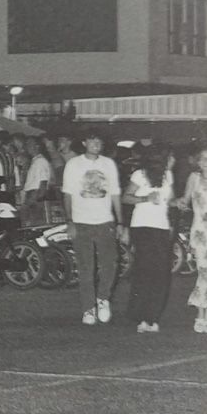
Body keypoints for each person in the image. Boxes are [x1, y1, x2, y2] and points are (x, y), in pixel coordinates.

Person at [62, 130, 126, 326]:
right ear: (84, 142)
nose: (95, 143)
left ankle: (103, 299)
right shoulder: (74, 164)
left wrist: (120, 222)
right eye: (91, 140)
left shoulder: (108, 164)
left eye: (99, 140)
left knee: (110, 264)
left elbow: (115, 194)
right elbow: (68, 194)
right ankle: (88, 308)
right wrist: (70, 221)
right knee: (85, 268)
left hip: (105, 221)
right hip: (81, 222)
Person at [122, 145, 175, 334]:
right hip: (142, 227)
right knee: (145, 271)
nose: (173, 160)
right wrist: (145, 198)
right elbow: (126, 197)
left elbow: (169, 201)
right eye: (170, 156)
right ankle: (141, 317)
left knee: (161, 273)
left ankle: (153, 317)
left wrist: (178, 203)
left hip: (161, 227)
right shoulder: (139, 175)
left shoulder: (168, 176)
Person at [177, 146, 207, 333]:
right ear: (198, 162)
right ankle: (200, 317)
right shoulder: (193, 178)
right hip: (200, 233)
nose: (205, 161)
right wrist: (179, 203)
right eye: (202, 158)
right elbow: (185, 200)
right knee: (204, 272)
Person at [20, 136, 53, 207]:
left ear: (37, 146)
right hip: (31, 196)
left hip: (34, 196)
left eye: (29, 144)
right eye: (26, 144)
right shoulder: (35, 160)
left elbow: (43, 183)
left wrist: (35, 201)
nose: (27, 146)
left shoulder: (40, 161)